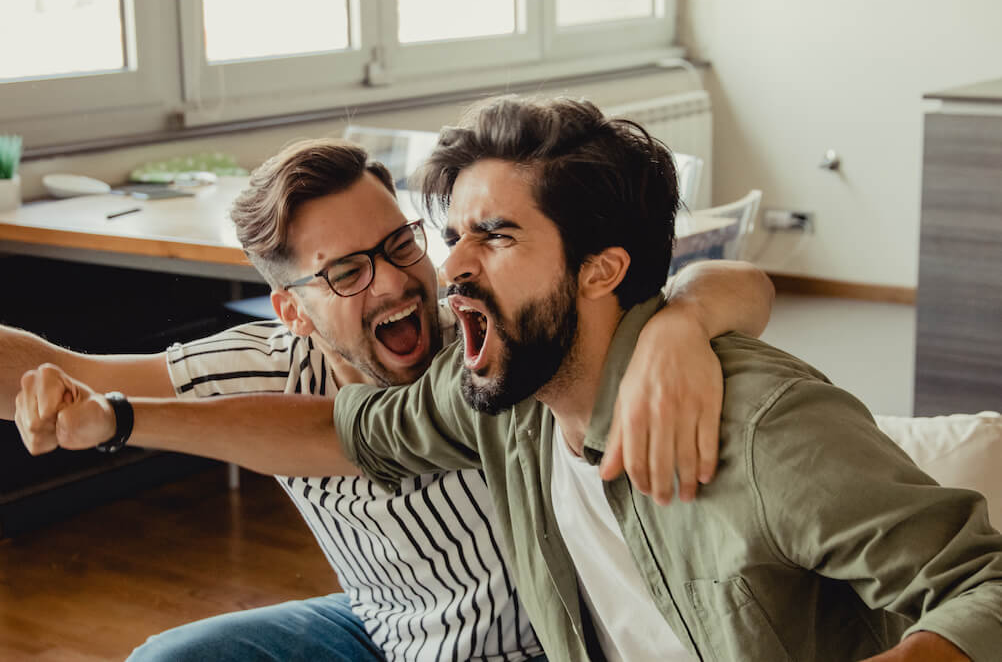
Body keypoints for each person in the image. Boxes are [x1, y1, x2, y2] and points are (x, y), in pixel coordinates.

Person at [4, 137, 776, 661]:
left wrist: (684, 324)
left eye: (400, 245)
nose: (394, 280)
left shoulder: (489, 325)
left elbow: (743, 284)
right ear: (293, 313)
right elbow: (52, 372)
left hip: (543, 641)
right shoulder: (263, 370)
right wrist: (54, 396)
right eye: (346, 273)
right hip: (385, 633)